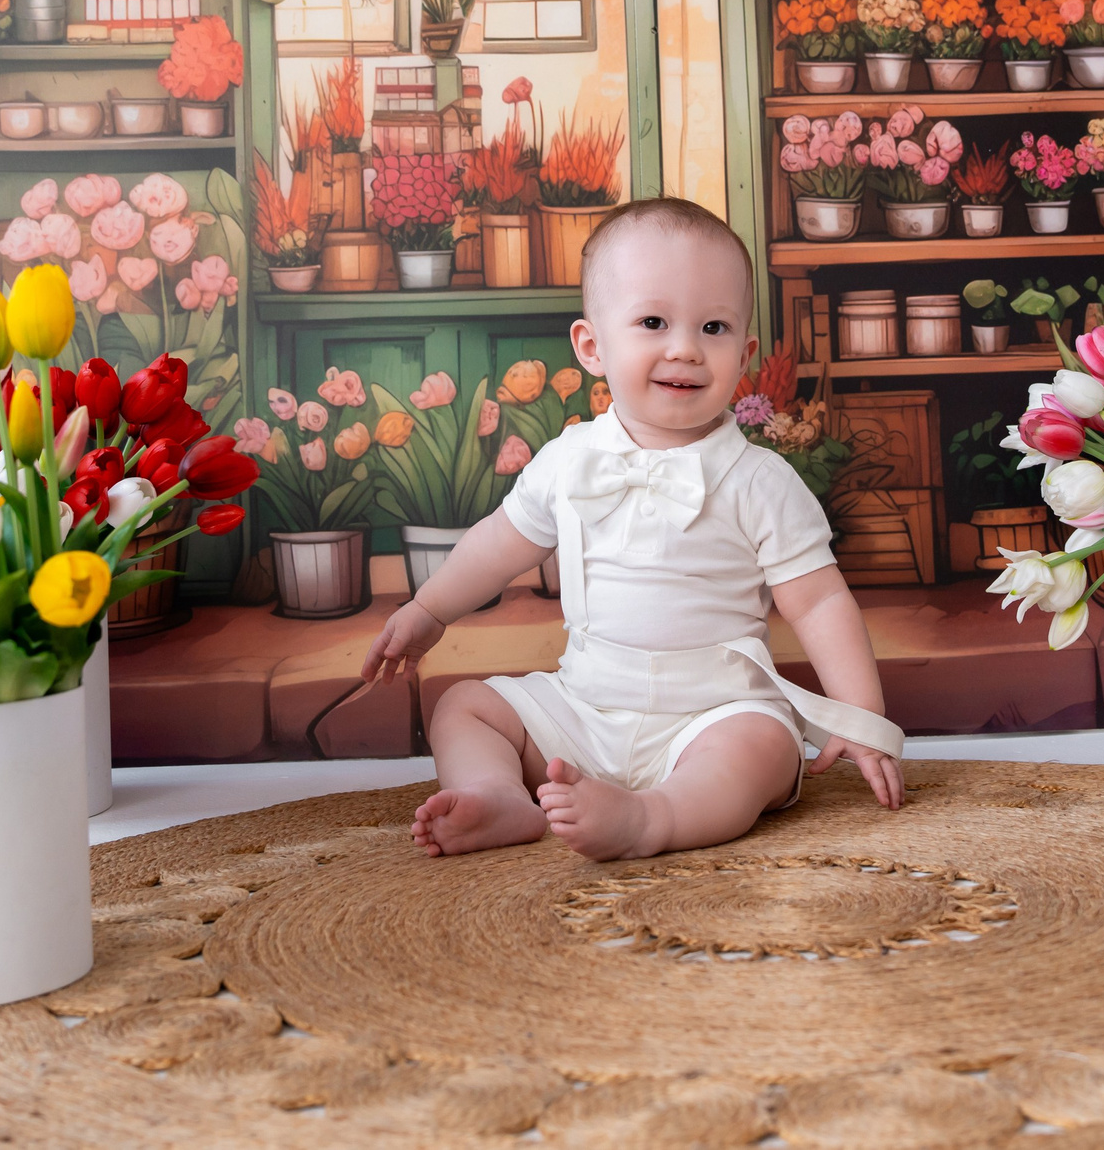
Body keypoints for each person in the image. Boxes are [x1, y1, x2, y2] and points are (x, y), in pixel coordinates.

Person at [359, 195, 906, 861]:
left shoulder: (759, 480)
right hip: (584, 707)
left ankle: (654, 818)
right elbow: (497, 545)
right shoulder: (569, 460)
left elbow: (818, 602)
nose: (685, 349)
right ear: (592, 347)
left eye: (713, 328)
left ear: (745, 354)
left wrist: (861, 713)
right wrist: (429, 610)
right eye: (653, 322)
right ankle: (495, 793)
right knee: (463, 706)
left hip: (712, 714)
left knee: (761, 747)